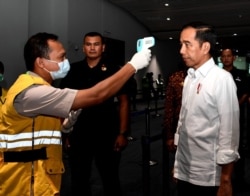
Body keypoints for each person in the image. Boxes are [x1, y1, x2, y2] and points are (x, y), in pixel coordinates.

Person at [0, 32, 151, 196]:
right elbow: (96, 95)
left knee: (110, 178)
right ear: (41, 62)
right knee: (80, 180)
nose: (65, 62)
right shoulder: (33, 92)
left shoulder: (40, 88)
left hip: (37, 177)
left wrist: (63, 129)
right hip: (23, 181)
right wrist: (133, 65)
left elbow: (34, 128)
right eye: (61, 57)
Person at [173, 22, 240, 196]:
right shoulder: (190, 77)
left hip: (208, 175)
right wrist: (178, 167)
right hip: (185, 169)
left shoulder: (222, 79)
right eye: (181, 44)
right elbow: (183, 123)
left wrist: (225, 179)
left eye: (187, 45)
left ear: (205, 47)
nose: (181, 50)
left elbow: (229, 132)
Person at [59, 31, 130, 196]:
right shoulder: (72, 70)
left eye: (96, 44)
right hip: (79, 133)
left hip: (107, 133)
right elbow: (63, 103)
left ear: (103, 47)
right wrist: (65, 134)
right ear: (83, 48)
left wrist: (123, 133)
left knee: (110, 179)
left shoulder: (114, 70)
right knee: (79, 180)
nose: (92, 48)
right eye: (88, 44)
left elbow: (124, 102)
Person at [220, 47, 249, 191]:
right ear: (220, 59)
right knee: (220, 146)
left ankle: (239, 178)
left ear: (233, 58)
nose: (226, 58)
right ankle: (221, 178)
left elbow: (245, 93)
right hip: (219, 118)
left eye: (229, 56)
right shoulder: (217, 75)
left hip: (237, 117)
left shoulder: (241, 74)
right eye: (223, 56)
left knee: (238, 147)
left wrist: (233, 108)